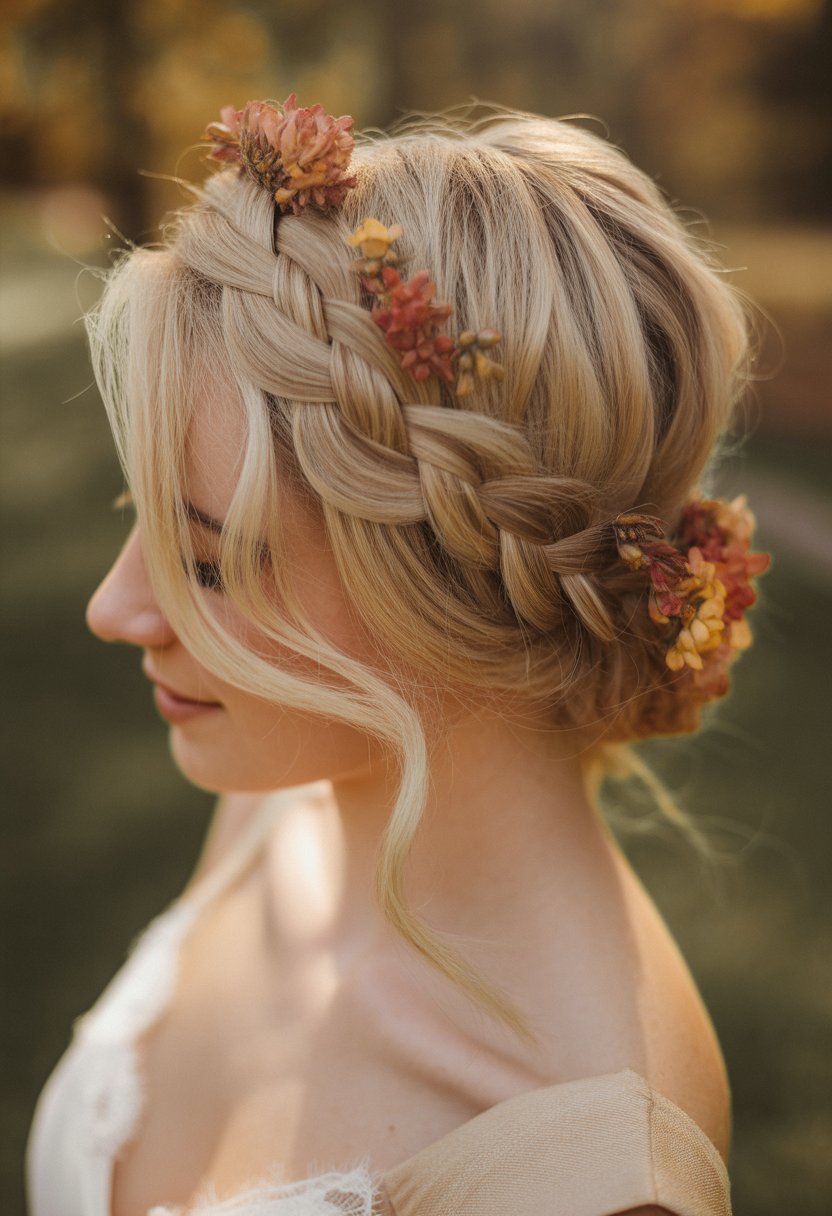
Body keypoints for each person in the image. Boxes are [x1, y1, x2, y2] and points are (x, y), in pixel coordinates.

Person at [26, 97, 770, 1216]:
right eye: (144, 513)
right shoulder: (291, 799)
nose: (114, 606)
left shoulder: (584, 1175)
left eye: (210, 561)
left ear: (443, 574)